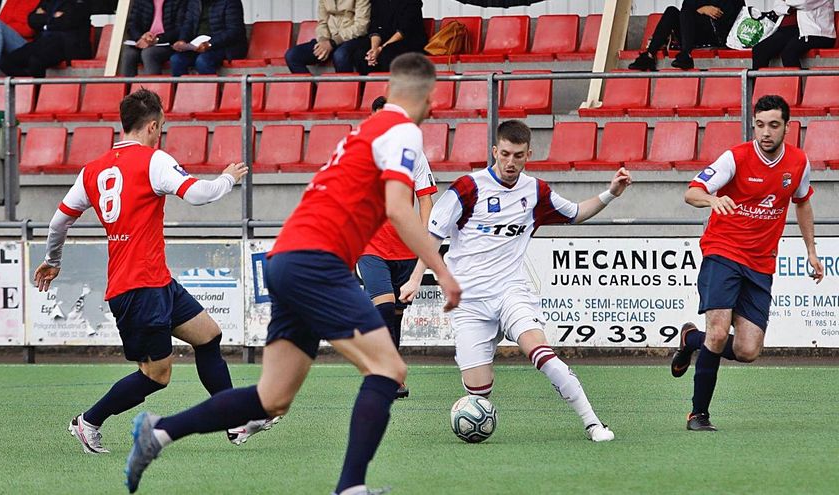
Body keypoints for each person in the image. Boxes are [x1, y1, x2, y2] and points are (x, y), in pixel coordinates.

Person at [123, 53, 461, 495]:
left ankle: (159, 431)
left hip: (287, 258)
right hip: (318, 262)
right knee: (388, 369)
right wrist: (442, 271)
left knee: (272, 398)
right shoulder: (403, 132)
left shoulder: (365, 132)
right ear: (428, 95)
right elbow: (400, 208)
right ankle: (351, 487)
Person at [32, 89, 270, 454]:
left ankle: (236, 419)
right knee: (157, 376)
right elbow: (198, 194)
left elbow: (58, 221)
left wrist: (54, 259)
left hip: (155, 281)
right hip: (138, 288)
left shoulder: (92, 170)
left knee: (208, 335)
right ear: (153, 125)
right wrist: (227, 179)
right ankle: (88, 421)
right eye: (162, 126)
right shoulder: (153, 160)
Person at [402, 120, 626, 442]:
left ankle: (594, 424)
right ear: (495, 151)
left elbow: (575, 213)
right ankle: (479, 412)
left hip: (510, 291)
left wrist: (611, 194)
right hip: (468, 300)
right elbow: (432, 238)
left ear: (528, 155)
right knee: (478, 390)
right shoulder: (467, 188)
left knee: (543, 355)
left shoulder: (536, 192)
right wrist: (415, 279)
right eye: (504, 154)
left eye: (518, 156)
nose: (510, 162)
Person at [670, 95, 824, 431]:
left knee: (747, 349)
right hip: (723, 251)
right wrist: (713, 198)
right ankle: (698, 414)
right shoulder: (735, 158)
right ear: (753, 124)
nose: (765, 132)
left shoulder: (798, 162)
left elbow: (803, 204)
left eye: (773, 125)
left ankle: (690, 340)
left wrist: (811, 251)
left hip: (760, 263)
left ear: (787, 127)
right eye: (760, 125)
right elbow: (691, 192)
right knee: (717, 331)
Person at [357, 95, 437, 399]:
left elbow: (426, 198)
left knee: (396, 316)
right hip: (371, 246)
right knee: (385, 305)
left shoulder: (414, 155)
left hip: (405, 248)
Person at [628, 0, 744, 71]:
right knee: (671, 11)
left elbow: (736, 15)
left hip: (716, 34)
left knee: (687, 12)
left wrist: (703, 10)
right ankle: (649, 55)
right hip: (693, 33)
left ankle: (686, 54)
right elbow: (687, 5)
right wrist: (703, 9)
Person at [0, 0, 92, 78]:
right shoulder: (48, 1)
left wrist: (44, 21)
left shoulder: (79, 2)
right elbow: (31, 19)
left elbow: (67, 21)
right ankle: (28, 82)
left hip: (68, 45)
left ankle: (37, 94)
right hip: (45, 41)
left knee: (36, 61)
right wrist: (52, 18)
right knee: (5, 62)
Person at [285, 0, 370, 74]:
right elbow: (322, 22)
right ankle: (313, 91)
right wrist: (323, 40)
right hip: (329, 38)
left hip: (352, 39)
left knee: (340, 55)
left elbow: (361, 26)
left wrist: (332, 42)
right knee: (292, 55)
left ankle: (344, 90)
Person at [169, 0, 246, 76]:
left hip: (225, 46)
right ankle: (183, 88)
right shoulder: (194, 2)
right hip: (197, 45)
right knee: (176, 59)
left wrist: (210, 44)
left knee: (203, 61)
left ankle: (211, 88)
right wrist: (182, 40)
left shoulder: (231, 2)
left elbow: (234, 31)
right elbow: (188, 24)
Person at [751, 0, 836, 70]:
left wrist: (786, 1)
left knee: (789, 52)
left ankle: (796, 89)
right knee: (759, 50)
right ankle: (757, 88)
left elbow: (804, 3)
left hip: (818, 33)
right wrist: (789, 9)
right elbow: (777, 7)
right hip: (794, 31)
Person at [352, 0, 426, 75]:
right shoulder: (378, 2)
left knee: (386, 54)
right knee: (362, 54)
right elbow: (375, 28)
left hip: (409, 42)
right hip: (384, 41)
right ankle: (368, 85)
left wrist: (381, 48)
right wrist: (374, 49)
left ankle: (389, 85)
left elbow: (404, 31)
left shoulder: (412, 2)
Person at [119, 0, 188, 76]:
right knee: (128, 54)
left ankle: (153, 87)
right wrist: (141, 37)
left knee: (149, 53)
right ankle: (126, 87)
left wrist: (157, 39)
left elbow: (180, 28)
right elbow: (132, 25)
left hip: (168, 43)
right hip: (145, 41)